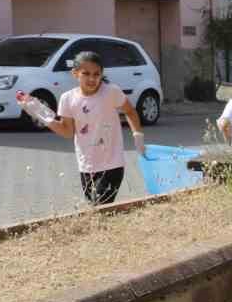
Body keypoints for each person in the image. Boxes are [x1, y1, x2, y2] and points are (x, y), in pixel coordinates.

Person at [19, 49, 143, 206]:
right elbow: (67, 131)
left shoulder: (111, 91)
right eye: (86, 73)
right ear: (75, 73)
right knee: (95, 209)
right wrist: (38, 111)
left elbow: (130, 111)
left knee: (100, 208)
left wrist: (138, 136)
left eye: (96, 74)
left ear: (101, 73)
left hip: (112, 163)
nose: (92, 78)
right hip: (86, 165)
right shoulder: (67, 99)